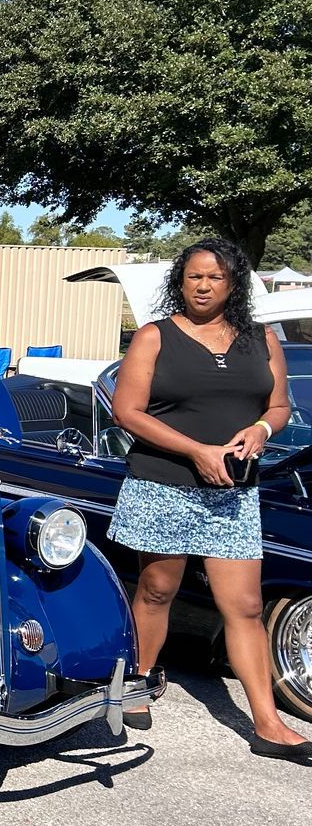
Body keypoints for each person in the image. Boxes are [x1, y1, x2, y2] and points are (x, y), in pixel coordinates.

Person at [108, 237, 305, 760]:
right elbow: (127, 411)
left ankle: (267, 723)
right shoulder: (155, 336)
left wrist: (263, 428)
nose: (203, 285)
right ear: (180, 281)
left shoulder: (261, 339)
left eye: (215, 277)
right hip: (163, 483)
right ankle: (138, 677)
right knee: (156, 588)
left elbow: (280, 404)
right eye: (194, 276)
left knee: (243, 606)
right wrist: (197, 451)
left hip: (234, 492)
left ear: (234, 284)